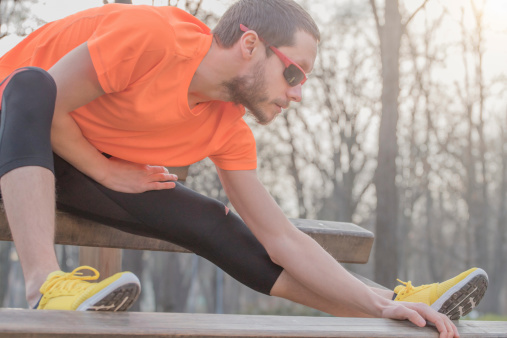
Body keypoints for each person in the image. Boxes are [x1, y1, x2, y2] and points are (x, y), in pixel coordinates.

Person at [0, 0, 487, 336]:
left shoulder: (228, 128)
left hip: (65, 164)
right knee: (29, 84)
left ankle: (395, 303)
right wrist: (105, 172)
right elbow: (35, 100)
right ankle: (45, 285)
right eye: (293, 73)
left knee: (214, 224)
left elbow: (283, 238)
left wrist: (378, 305)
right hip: (14, 130)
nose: (298, 92)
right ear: (249, 45)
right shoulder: (154, 39)